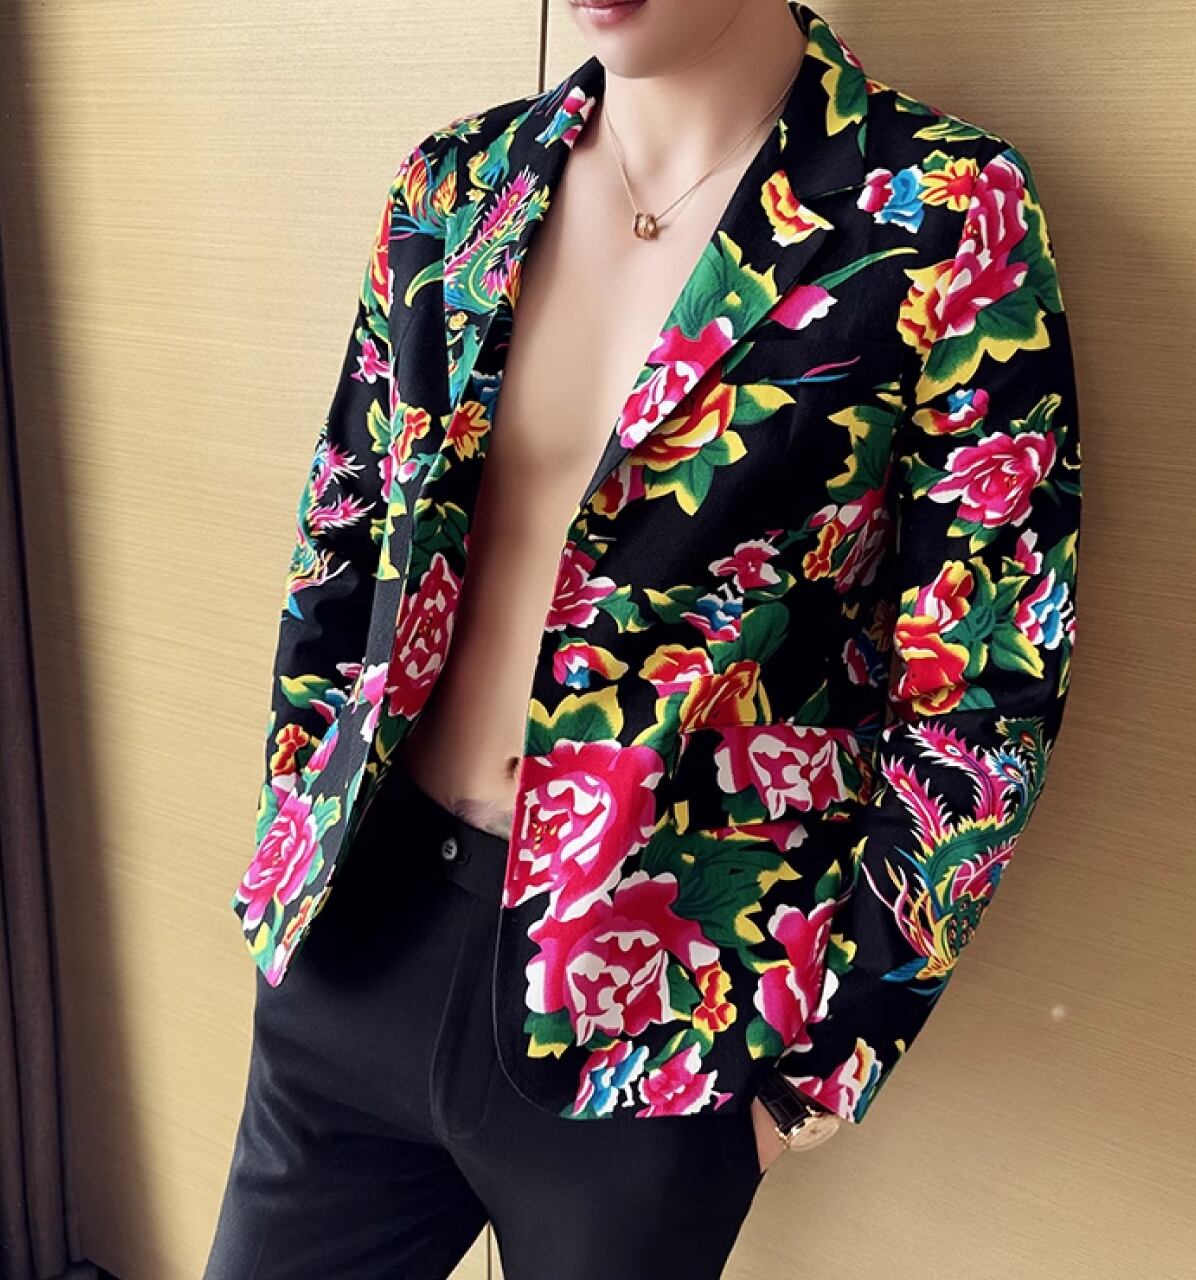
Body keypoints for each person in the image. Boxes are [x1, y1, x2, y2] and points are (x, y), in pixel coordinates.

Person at [206, 0, 1082, 1276]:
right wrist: (298, 813)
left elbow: (985, 685)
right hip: (355, 939)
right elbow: (342, 538)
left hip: (661, 1023)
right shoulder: (453, 187)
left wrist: (809, 1072)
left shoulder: (944, 215)